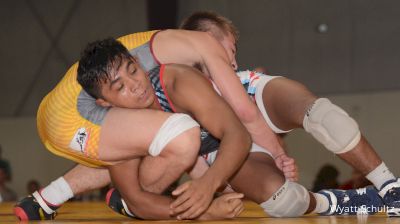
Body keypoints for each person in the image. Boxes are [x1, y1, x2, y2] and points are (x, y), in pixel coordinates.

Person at [15, 28, 287, 220]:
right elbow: (243, 112)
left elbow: (234, 134)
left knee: (160, 140)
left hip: (55, 108)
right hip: (64, 118)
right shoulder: (189, 50)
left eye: (134, 71)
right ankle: (123, 200)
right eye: (121, 86)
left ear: (137, 62)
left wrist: (208, 185)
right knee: (181, 133)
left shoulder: (167, 72)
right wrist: (203, 208)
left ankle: (44, 199)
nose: (135, 86)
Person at [179, 11, 400, 216]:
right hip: (220, 142)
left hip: (247, 94)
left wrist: (278, 156)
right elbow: (201, 171)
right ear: (207, 40)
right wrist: (225, 187)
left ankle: (390, 187)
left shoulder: (237, 79)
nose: (235, 61)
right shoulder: (173, 89)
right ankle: (332, 202)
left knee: (323, 116)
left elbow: (247, 112)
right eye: (232, 50)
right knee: (284, 201)